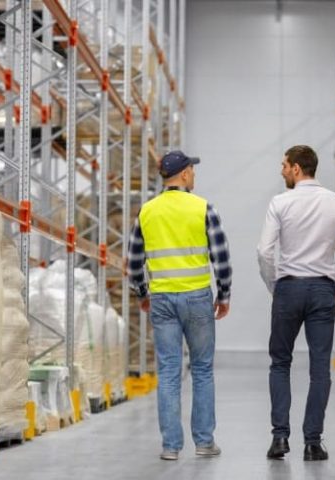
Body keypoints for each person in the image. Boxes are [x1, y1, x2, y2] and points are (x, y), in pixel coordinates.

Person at [256, 145, 335, 461]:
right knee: (320, 368)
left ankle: (279, 439)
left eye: (284, 165)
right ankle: (313, 442)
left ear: (297, 169)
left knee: (280, 362)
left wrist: (275, 285)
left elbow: (264, 251)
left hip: (288, 288)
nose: (282, 170)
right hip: (322, 291)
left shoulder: (280, 203)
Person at [127, 151, 232, 461]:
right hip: (198, 298)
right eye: (192, 170)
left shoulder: (147, 211)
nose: (194, 175)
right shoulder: (203, 208)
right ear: (185, 174)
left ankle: (171, 446)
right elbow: (221, 258)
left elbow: (134, 262)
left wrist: (142, 292)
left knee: (170, 371)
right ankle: (204, 441)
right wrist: (223, 295)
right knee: (202, 370)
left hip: (161, 299)